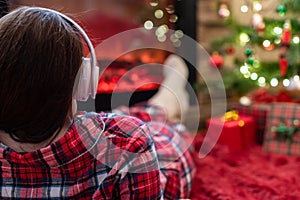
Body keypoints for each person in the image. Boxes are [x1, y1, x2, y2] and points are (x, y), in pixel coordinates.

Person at [0, 6, 195, 199]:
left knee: (133, 116)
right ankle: (172, 90)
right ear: (84, 82)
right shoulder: (129, 139)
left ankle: (169, 96)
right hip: (163, 165)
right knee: (160, 122)